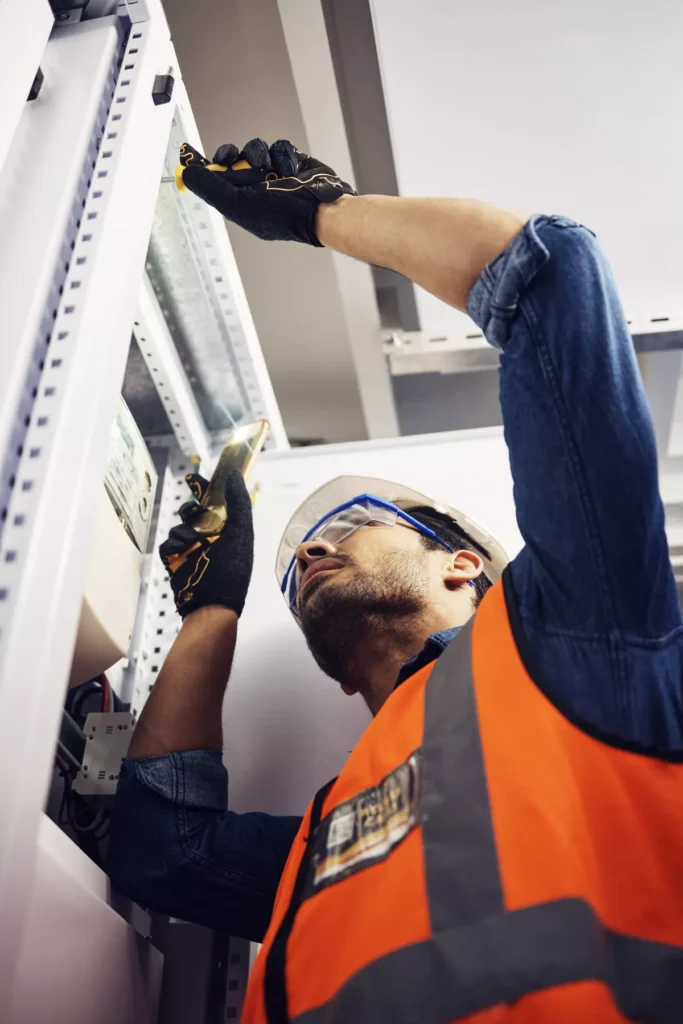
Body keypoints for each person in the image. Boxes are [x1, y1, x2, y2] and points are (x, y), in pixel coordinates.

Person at [108, 139, 683, 1021]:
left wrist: (318, 213)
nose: (305, 559)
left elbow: (548, 272)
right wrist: (212, 610)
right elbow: (164, 854)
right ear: (341, 680)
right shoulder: (329, 828)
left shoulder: (576, 634)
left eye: (342, 530)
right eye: (295, 581)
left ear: (464, 565)